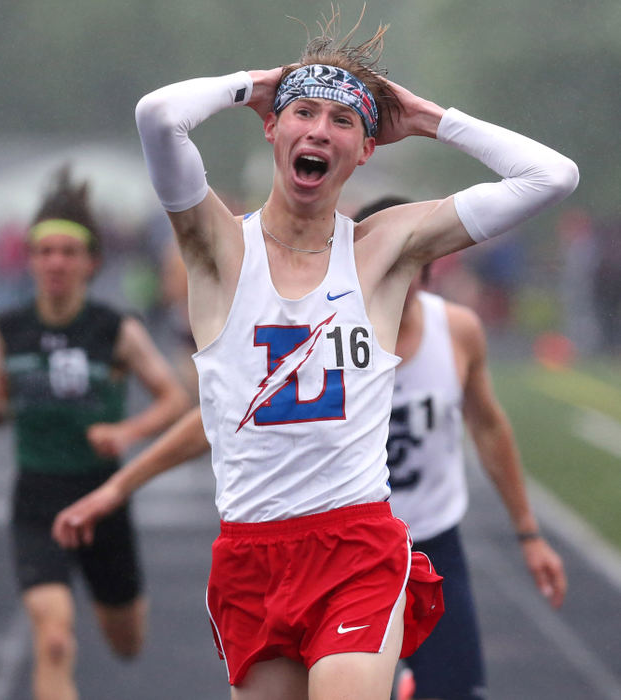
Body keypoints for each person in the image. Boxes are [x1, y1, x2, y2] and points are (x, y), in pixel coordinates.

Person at [59, 12, 577, 698]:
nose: (318, 131)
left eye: (341, 121)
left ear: (365, 149)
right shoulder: (218, 248)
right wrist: (254, 86)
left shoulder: (384, 249)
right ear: (273, 128)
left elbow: (553, 176)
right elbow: (158, 115)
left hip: (355, 545)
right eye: (302, 112)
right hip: (251, 553)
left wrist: (426, 117)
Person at [0, 167, 190, 700]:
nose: (56, 263)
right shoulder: (9, 329)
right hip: (37, 499)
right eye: (46, 252)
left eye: (69, 252)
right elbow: (2, 406)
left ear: (91, 262)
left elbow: (176, 399)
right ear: (31, 260)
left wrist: (126, 430)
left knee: (127, 641)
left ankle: (120, 606)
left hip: (103, 499)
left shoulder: (115, 329)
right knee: (55, 638)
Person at [356, 197, 567, 700]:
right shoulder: (326, 338)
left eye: (410, 265)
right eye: (385, 265)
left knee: (456, 691)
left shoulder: (457, 330)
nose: (398, 280)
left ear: (429, 269)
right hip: (351, 550)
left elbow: (489, 428)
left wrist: (528, 532)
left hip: (433, 543)